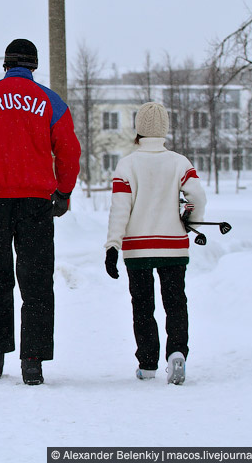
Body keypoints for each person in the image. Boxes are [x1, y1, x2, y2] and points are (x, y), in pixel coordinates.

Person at [0, 38, 81, 385]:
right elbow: (69, 151)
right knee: (36, 280)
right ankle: (33, 361)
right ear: (34, 67)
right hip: (37, 205)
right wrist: (63, 193)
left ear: (6, 65)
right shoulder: (51, 102)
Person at [104, 102, 206, 385]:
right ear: (165, 130)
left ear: (138, 130)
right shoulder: (179, 162)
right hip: (173, 245)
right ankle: (177, 354)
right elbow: (198, 196)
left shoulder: (127, 165)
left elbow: (120, 209)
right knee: (175, 303)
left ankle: (147, 363)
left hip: (137, 249)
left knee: (143, 305)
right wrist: (192, 223)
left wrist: (113, 246)